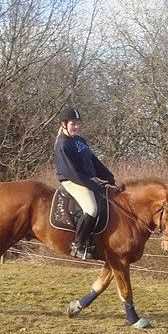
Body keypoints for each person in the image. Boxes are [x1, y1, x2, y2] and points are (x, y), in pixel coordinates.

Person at [54, 106, 117, 259]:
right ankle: (78, 244)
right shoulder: (63, 144)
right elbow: (71, 172)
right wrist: (92, 185)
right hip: (72, 180)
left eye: (78, 123)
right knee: (91, 208)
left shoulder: (80, 140)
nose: (76, 126)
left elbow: (93, 161)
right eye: (73, 123)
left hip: (86, 180)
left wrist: (108, 176)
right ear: (64, 124)